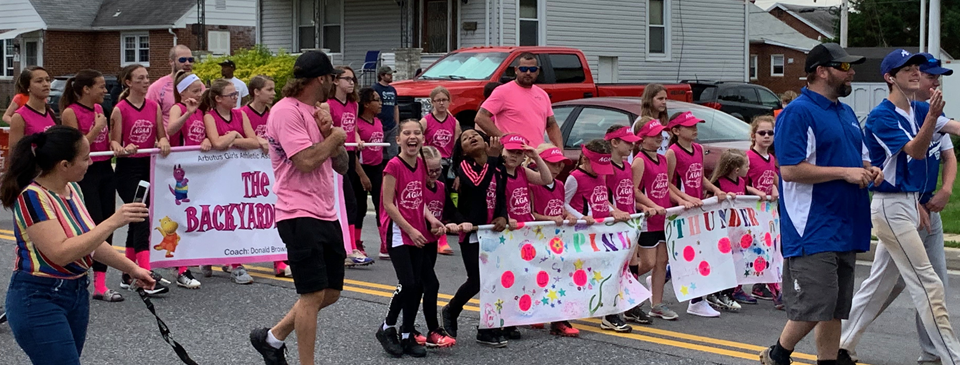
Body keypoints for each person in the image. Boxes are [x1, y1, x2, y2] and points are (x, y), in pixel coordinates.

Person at [758, 43, 880, 365]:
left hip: (847, 222)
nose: (851, 71)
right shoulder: (798, 112)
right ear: (822, 71)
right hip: (812, 225)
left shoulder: (845, 111)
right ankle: (778, 353)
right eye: (844, 67)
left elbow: (860, 159)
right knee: (817, 301)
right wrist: (846, 173)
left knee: (836, 306)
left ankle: (826, 361)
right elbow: (790, 169)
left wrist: (870, 171)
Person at [836, 49, 960, 365]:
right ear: (890, 77)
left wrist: (933, 117)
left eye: (917, 67)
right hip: (891, 207)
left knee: (881, 283)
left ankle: (842, 344)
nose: (916, 72)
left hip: (910, 204)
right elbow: (916, 153)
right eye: (907, 69)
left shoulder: (919, 108)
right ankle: (950, 356)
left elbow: (955, 129)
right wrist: (932, 118)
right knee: (928, 284)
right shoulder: (882, 116)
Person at [2, 126, 156, 364]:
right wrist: (114, 221)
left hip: (75, 293)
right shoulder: (32, 196)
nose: (90, 164)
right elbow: (60, 253)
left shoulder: (72, 189)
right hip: (38, 296)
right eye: (85, 159)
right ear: (64, 164)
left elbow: (89, 242)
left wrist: (132, 268)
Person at [249, 50, 349, 365]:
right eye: (333, 77)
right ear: (322, 79)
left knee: (331, 292)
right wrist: (334, 137)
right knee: (311, 294)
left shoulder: (318, 111)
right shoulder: (285, 111)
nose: (335, 83)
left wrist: (333, 136)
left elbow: (342, 166)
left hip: (325, 211)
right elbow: (304, 161)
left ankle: (272, 338)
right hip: (297, 212)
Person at [375, 119, 447, 358]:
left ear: (422, 139)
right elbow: (388, 203)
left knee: (416, 285)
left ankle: (406, 334)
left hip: (416, 230)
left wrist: (431, 219)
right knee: (408, 283)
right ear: (398, 139)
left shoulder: (421, 164)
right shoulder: (393, 166)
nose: (412, 136)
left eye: (417, 132)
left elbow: (420, 200)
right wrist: (410, 229)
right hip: (398, 231)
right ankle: (387, 327)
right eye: (406, 133)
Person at [59, 69, 124, 302]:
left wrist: (117, 144)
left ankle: (100, 284)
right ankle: (79, 275)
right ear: (86, 89)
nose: (105, 92)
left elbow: (109, 140)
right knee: (92, 225)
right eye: (100, 87)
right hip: (86, 173)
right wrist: (96, 128)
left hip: (106, 168)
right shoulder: (71, 112)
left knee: (108, 224)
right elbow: (75, 147)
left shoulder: (99, 109)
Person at [441, 129, 508, 347]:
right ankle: (452, 309)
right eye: (465, 138)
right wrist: (492, 158)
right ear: (463, 151)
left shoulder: (498, 167)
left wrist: (502, 215)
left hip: (493, 232)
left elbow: (500, 195)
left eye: (475, 134)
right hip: (472, 231)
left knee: (495, 281)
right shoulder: (465, 167)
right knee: (477, 279)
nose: (471, 137)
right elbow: (479, 186)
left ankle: (488, 327)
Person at [110, 64, 173, 296]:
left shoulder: (153, 106)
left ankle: (128, 273)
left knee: (137, 221)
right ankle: (145, 273)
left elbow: (161, 135)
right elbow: (114, 142)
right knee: (141, 217)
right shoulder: (120, 109)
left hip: (149, 167)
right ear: (128, 82)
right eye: (140, 78)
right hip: (128, 169)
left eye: (147, 77)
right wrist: (122, 147)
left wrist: (163, 141)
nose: (146, 82)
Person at [202, 78, 268, 285]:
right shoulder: (210, 117)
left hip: (237, 174)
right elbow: (218, 143)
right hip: (216, 176)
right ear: (218, 99)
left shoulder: (240, 114)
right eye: (231, 95)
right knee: (219, 216)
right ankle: (213, 254)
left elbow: (253, 141)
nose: (235, 98)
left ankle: (236, 262)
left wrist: (233, 138)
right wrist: (233, 134)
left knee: (236, 216)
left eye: (236, 94)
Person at [664, 111, 729, 317]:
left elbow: (699, 177)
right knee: (691, 253)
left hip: (698, 207)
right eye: (689, 126)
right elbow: (668, 182)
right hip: (682, 210)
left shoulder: (699, 149)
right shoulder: (672, 153)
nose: (695, 129)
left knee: (701, 251)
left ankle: (673, 280)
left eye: (695, 125)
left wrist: (716, 189)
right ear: (676, 130)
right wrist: (684, 199)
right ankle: (696, 300)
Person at [564, 138, 633, 332]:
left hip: (604, 232)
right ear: (585, 159)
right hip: (585, 234)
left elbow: (603, 199)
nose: (600, 171)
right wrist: (582, 216)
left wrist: (613, 211)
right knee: (588, 273)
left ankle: (609, 314)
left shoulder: (600, 176)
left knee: (610, 271)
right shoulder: (575, 177)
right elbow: (564, 202)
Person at [524, 144, 580, 336]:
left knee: (559, 278)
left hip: (557, 239)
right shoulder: (532, 185)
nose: (557, 169)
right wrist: (549, 219)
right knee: (538, 277)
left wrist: (567, 215)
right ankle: (537, 313)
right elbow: (530, 212)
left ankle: (558, 320)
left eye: (560, 165)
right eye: (553, 164)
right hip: (538, 237)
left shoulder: (560, 185)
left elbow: (559, 206)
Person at [163, 70, 210, 289]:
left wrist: (209, 140)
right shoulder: (178, 108)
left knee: (194, 217)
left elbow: (203, 135)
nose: (199, 93)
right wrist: (187, 113)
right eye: (195, 90)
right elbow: (171, 129)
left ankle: (195, 259)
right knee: (179, 218)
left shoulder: (201, 112)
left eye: (200, 90)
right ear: (182, 93)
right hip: (178, 169)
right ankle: (181, 268)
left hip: (197, 170)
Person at [706, 149, 768, 310]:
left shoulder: (740, 182)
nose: (749, 168)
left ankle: (728, 293)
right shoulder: (719, 183)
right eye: (746, 166)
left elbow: (746, 189)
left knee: (735, 262)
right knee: (722, 263)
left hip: (737, 232)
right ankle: (717, 293)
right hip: (722, 230)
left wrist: (758, 192)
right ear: (736, 169)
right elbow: (709, 200)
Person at [241, 75, 290, 278]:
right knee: (246, 215)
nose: (273, 93)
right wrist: (256, 141)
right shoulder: (242, 113)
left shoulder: (274, 114)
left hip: (271, 172)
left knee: (273, 214)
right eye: (269, 89)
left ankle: (279, 259)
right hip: (245, 173)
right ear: (256, 92)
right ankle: (232, 258)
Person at [628, 118, 674, 323]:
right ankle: (627, 288)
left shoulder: (662, 159)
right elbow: (634, 190)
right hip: (649, 219)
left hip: (662, 217)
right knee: (648, 261)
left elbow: (667, 186)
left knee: (662, 262)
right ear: (642, 138)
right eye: (654, 135)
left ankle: (657, 303)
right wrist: (651, 205)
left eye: (660, 134)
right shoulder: (639, 161)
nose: (659, 138)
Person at [328, 66, 374, 265]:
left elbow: (352, 129)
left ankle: (352, 246)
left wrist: (357, 139)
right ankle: (346, 248)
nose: (351, 82)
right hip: (335, 156)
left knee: (353, 203)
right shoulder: (327, 104)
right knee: (345, 202)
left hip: (351, 155)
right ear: (336, 81)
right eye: (347, 78)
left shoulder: (353, 104)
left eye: (353, 79)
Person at [417, 146, 461, 347]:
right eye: (430, 171)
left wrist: (458, 222)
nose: (434, 175)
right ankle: (433, 330)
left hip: (430, 244)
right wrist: (433, 225)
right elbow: (415, 215)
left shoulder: (441, 187)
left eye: (438, 170)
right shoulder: (417, 187)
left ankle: (404, 327)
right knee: (428, 284)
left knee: (417, 287)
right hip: (416, 242)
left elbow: (450, 211)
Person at [474, 52, 563, 147]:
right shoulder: (502, 91)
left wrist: (560, 151)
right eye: (523, 69)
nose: (528, 73)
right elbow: (481, 117)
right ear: (516, 70)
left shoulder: (543, 94)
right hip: (513, 155)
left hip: (537, 155)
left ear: (537, 71)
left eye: (532, 69)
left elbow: (552, 125)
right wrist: (502, 137)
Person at [744, 115, 782, 308]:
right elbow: (742, 185)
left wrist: (774, 190)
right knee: (758, 250)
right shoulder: (748, 157)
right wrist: (757, 192)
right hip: (751, 210)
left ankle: (760, 286)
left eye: (770, 133)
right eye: (762, 133)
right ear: (753, 135)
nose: (766, 136)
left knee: (770, 249)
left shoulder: (771, 158)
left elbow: (772, 180)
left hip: (767, 211)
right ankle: (777, 292)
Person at [420, 85, 461, 255]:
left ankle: (449, 228)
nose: (441, 103)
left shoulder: (454, 122)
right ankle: (440, 239)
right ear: (432, 102)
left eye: (444, 100)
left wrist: (458, 171)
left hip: (449, 163)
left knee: (451, 198)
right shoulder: (426, 121)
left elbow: (458, 148)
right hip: (433, 164)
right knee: (436, 197)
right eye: (437, 100)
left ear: (449, 102)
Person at [353, 87, 385, 258]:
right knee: (360, 207)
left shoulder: (378, 122)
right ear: (366, 104)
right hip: (362, 169)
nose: (380, 103)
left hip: (377, 168)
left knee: (382, 205)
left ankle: (384, 243)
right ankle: (357, 242)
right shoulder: (358, 124)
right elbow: (354, 155)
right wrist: (362, 175)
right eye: (376, 100)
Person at [147, 45, 197, 130]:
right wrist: (160, 139)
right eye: (182, 60)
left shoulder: (199, 86)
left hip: (193, 140)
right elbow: (149, 117)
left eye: (190, 60)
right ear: (171, 61)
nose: (187, 63)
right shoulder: (156, 87)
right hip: (169, 141)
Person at [8, 67, 56, 152]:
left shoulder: (50, 112)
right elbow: (15, 153)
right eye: (39, 81)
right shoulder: (20, 117)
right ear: (28, 87)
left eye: (47, 80)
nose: (45, 84)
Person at [631, 84, 671, 156]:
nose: (664, 102)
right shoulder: (641, 123)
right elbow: (634, 150)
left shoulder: (665, 122)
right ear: (649, 100)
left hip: (664, 163)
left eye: (665, 99)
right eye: (660, 99)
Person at [373, 66, 400, 160]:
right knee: (377, 150)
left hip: (392, 125)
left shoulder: (392, 89)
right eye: (389, 74)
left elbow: (395, 107)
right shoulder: (375, 88)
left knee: (394, 152)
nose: (391, 76)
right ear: (382, 75)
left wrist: (397, 123)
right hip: (380, 124)